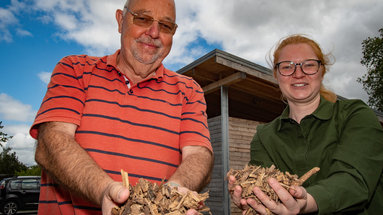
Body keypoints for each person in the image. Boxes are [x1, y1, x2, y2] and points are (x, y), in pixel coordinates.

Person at [29, 0, 213, 214]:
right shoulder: (75, 70)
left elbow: (198, 154)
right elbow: (52, 141)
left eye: (165, 26)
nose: (154, 32)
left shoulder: (189, 90)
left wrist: (170, 197)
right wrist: (104, 190)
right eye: (143, 19)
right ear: (120, 20)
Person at [228, 34, 383, 214]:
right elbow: (264, 190)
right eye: (287, 67)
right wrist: (252, 196)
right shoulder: (264, 136)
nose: (298, 73)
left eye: (308, 65)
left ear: (322, 71)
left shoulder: (355, 115)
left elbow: (355, 180)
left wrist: (306, 201)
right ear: (276, 75)